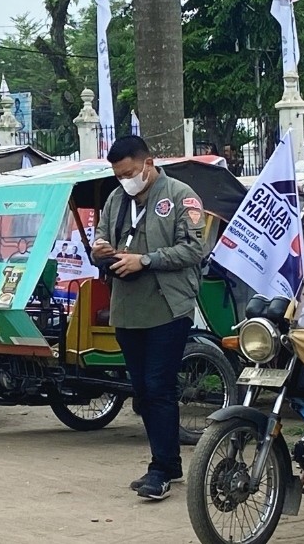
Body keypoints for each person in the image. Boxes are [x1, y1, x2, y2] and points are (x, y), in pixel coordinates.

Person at [91, 135, 205, 501]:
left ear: (148, 163)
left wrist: (146, 259)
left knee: (159, 386)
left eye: (129, 172)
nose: (125, 180)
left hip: (168, 306)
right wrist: (100, 251)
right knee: (142, 391)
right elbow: (101, 239)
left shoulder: (179, 195)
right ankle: (168, 463)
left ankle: (161, 469)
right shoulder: (115, 199)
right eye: (118, 175)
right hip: (128, 308)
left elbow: (193, 248)